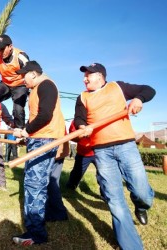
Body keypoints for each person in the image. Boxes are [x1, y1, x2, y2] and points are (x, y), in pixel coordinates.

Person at [74, 62, 155, 250]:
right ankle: (131, 246)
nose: (84, 78)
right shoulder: (83, 97)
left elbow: (148, 89)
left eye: (88, 75)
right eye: (84, 75)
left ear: (100, 76)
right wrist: (81, 127)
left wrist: (138, 99)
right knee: (115, 200)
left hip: (126, 145)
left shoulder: (117, 87)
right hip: (101, 151)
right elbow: (79, 118)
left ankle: (141, 205)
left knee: (141, 190)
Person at [12, 61, 68, 245]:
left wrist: (27, 130)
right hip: (40, 138)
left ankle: (36, 233)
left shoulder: (46, 85)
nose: (22, 79)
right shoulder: (37, 88)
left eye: (24, 76)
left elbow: (45, 115)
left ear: (33, 74)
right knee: (37, 183)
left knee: (34, 185)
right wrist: (26, 134)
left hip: (44, 140)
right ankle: (40, 221)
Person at [66, 120, 104, 199]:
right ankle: (69, 190)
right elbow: (72, 136)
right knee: (77, 173)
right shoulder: (76, 121)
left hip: (99, 152)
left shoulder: (98, 118)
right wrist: (82, 135)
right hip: (83, 153)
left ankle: (106, 194)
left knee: (103, 173)